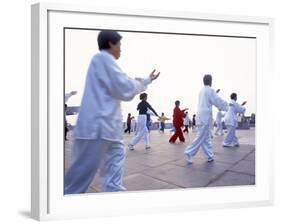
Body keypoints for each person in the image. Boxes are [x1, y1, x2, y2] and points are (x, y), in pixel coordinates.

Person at [64, 30, 160, 194]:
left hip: (108, 131)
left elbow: (123, 83)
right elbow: (124, 88)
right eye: (119, 45)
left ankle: (114, 197)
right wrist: (146, 81)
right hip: (95, 131)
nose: (121, 49)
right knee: (76, 184)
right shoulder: (102, 59)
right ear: (111, 44)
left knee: (114, 173)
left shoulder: (105, 63)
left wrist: (145, 80)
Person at [184, 74, 228, 164]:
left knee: (206, 138)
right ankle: (188, 152)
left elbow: (212, 98)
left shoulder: (202, 91)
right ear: (210, 81)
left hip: (200, 117)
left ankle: (209, 156)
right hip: (205, 118)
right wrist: (227, 106)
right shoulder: (210, 90)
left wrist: (216, 93)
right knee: (200, 137)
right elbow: (217, 100)